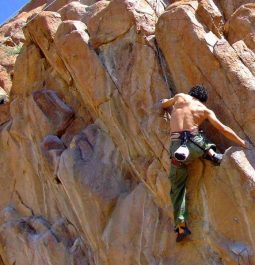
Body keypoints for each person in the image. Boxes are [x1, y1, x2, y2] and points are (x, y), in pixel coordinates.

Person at [160, 85, 247, 242]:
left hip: (177, 149)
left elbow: (165, 104)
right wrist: (242, 143)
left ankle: (181, 227)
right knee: (200, 135)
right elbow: (223, 129)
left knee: (177, 189)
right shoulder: (205, 110)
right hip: (195, 145)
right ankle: (212, 154)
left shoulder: (180, 97)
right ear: (203, 100)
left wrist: (164, 102)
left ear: (191, 93)